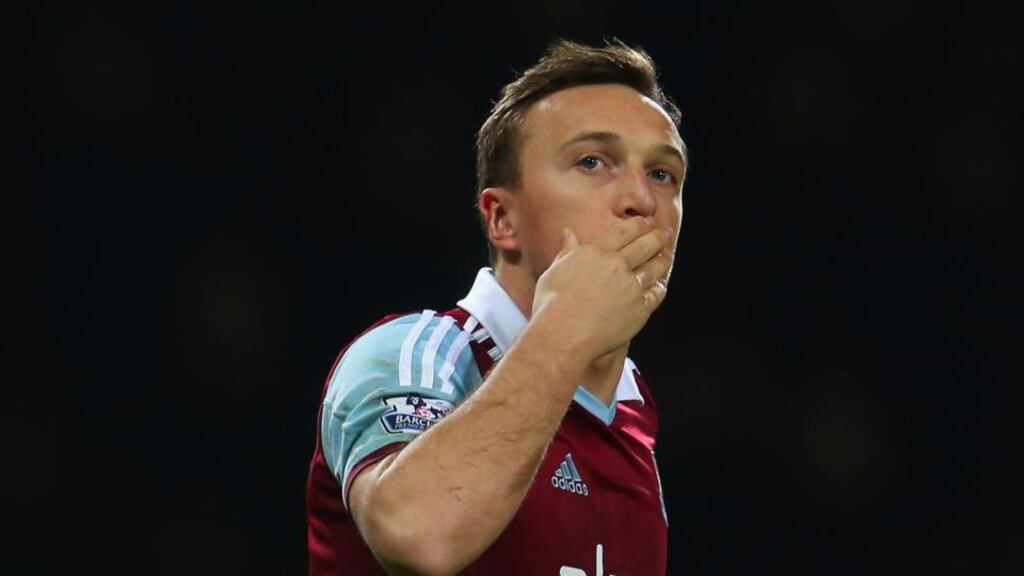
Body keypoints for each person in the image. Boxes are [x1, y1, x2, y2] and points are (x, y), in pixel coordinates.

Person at [307, 38, 687, 575]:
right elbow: (419, 537)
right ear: (501, 220)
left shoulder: (633, 411)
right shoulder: (416, 354)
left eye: (662, 174)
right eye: (592, 161)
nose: (641, 201)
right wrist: (567, 325)